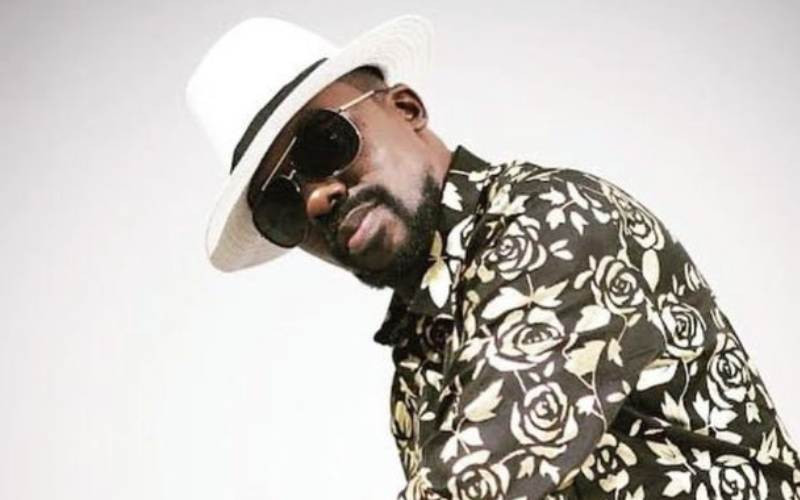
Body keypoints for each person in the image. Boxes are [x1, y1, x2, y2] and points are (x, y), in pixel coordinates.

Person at [185, 14, 800, 500]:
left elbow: (478, 482)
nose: (317, 198)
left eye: (324, 143)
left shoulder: (556, 221)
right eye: (282, 205)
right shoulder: (419, 351)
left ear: (407, 109)